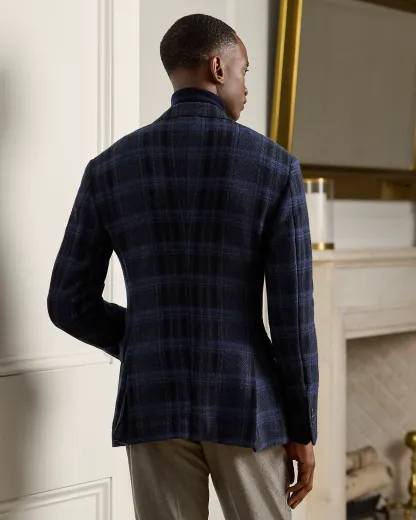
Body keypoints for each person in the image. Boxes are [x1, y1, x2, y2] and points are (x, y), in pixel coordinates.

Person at [47, 13, 318, 520]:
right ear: (217, 68)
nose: (246, 86)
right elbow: (293, 318)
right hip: (246, 402)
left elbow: (67, 302)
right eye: (243, 70)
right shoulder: (274, 168)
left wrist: (141, 339)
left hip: (153, 397)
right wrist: (303, 429)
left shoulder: (108, 168)